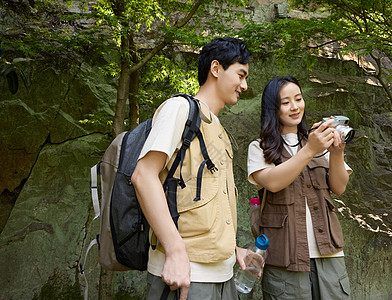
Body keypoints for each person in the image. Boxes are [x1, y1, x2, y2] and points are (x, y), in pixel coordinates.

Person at [131, 37, 250, 300]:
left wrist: (233, 250)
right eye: (240, 75)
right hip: (185, 276)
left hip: (224, 276)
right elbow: (143, 176)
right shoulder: (180, 110)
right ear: (216, 69)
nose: (245, 85)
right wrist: (174, 251)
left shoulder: (218, 129)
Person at [247, 76, 352, 299]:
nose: (295, 107)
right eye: (286, 102)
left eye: (299, 99)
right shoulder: (260, 148)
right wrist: (310, 150)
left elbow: (340, 187)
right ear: (272, 108)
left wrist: (336, 151)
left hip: (329, 255)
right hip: (285, 260)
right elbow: (273, 182)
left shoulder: (319, 141)